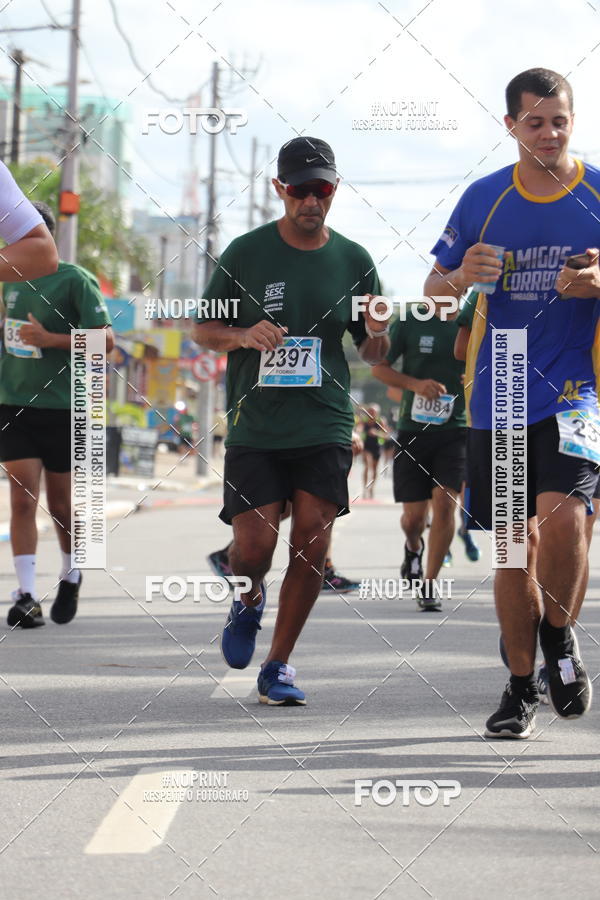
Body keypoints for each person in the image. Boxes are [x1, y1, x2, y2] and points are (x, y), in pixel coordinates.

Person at [425, 68, 599, 738]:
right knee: (510, 548)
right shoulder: (484, 198)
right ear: (511, 126)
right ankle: (521, 685)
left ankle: (558, 635)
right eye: (535, 123)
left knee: (567, 521)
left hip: (577, 388)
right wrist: (459, 276)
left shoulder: (597, 191)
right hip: (502, 387)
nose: (550, 134)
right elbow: (434, 289)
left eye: (560, 121)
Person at [194, 137, 390, 705]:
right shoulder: (245, 253)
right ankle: (247, 597)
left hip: (324, 422)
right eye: (300, 189)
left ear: (335, 189)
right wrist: (243, 335)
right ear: (280, 189)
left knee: (311, 544)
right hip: (257, 424)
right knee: (254, 548)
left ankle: (277, 665)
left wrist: (379, 333)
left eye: (321, 189)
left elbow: (373, 352)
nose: (311, 200)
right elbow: (203, 329)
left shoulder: (354, 261)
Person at [0, 201, 114, 628]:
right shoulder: (6, 280)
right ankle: (26, 595)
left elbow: (106, 342)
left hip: (64, 407)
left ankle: (71, 573)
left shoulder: (75, 280)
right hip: (13, 402)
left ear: (44, 239)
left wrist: (50, 339)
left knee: (62, 506)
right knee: (21, 497)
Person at [372, 301, 468, 611]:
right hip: (413, 430)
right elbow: (379, 367)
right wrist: (415, 385)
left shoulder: (474, 318)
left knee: (445, 503)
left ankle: (430, 582)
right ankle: (413, 546)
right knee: (413, 520)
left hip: (456, 430)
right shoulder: (411, 321)